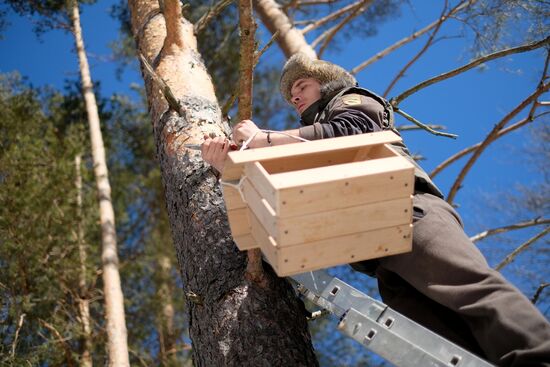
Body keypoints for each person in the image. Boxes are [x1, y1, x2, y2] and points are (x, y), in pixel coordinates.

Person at [201, 53, 550, 366]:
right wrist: (228, 166)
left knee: (468, 290)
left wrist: (262, 138)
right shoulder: (307, 146)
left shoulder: (353, 100)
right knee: (439, 337)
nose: (294, 97)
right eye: (292, 94)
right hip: (379, 251)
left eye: (301, 86)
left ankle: (537, 355)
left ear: (326, 83)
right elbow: (281, 184)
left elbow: (351, 130)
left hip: (408, 209)